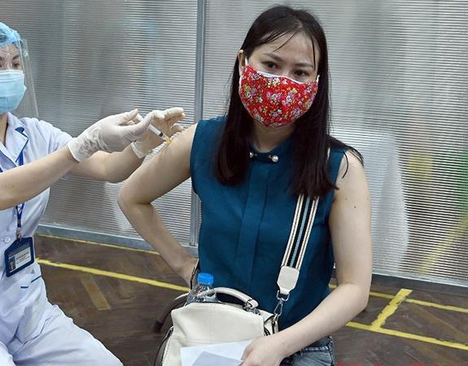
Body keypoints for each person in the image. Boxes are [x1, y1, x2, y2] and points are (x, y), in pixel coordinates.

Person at [0, 18, 184, 366]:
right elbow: (0, 191)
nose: (10, 71)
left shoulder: (34, 133)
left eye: (15, 63)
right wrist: (81, 145)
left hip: (24, 307)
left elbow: (110, 169)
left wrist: (143, 140)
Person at [118, 6, 372, 366]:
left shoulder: (340, 169)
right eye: (271, 65)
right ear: (243, 62)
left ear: (316, 84)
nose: (283, 82)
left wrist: (280, 346)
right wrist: (183, 264)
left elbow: (354, 288)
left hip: (298, 342)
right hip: (210, 329)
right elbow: (132, 197)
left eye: (300, 72)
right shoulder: (202, 141)